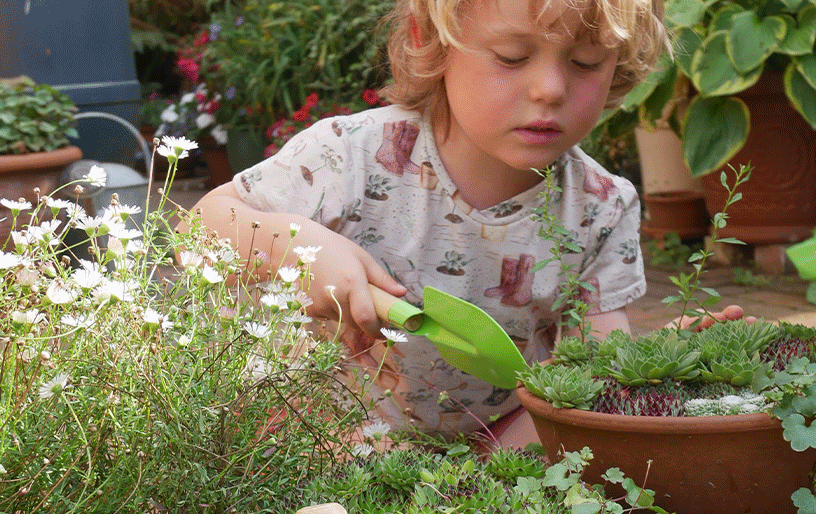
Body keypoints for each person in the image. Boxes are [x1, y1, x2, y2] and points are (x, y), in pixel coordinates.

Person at [192, 0, 669, 447]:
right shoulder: (349, 157)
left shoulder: (600, 206)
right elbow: (198, 229)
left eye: (586, 62)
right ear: (432, 42)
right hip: (321, 445)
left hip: (493, 452)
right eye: (511, 57)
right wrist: (289, 247)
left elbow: (594, 378)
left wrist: (658, 367)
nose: (551, 88)